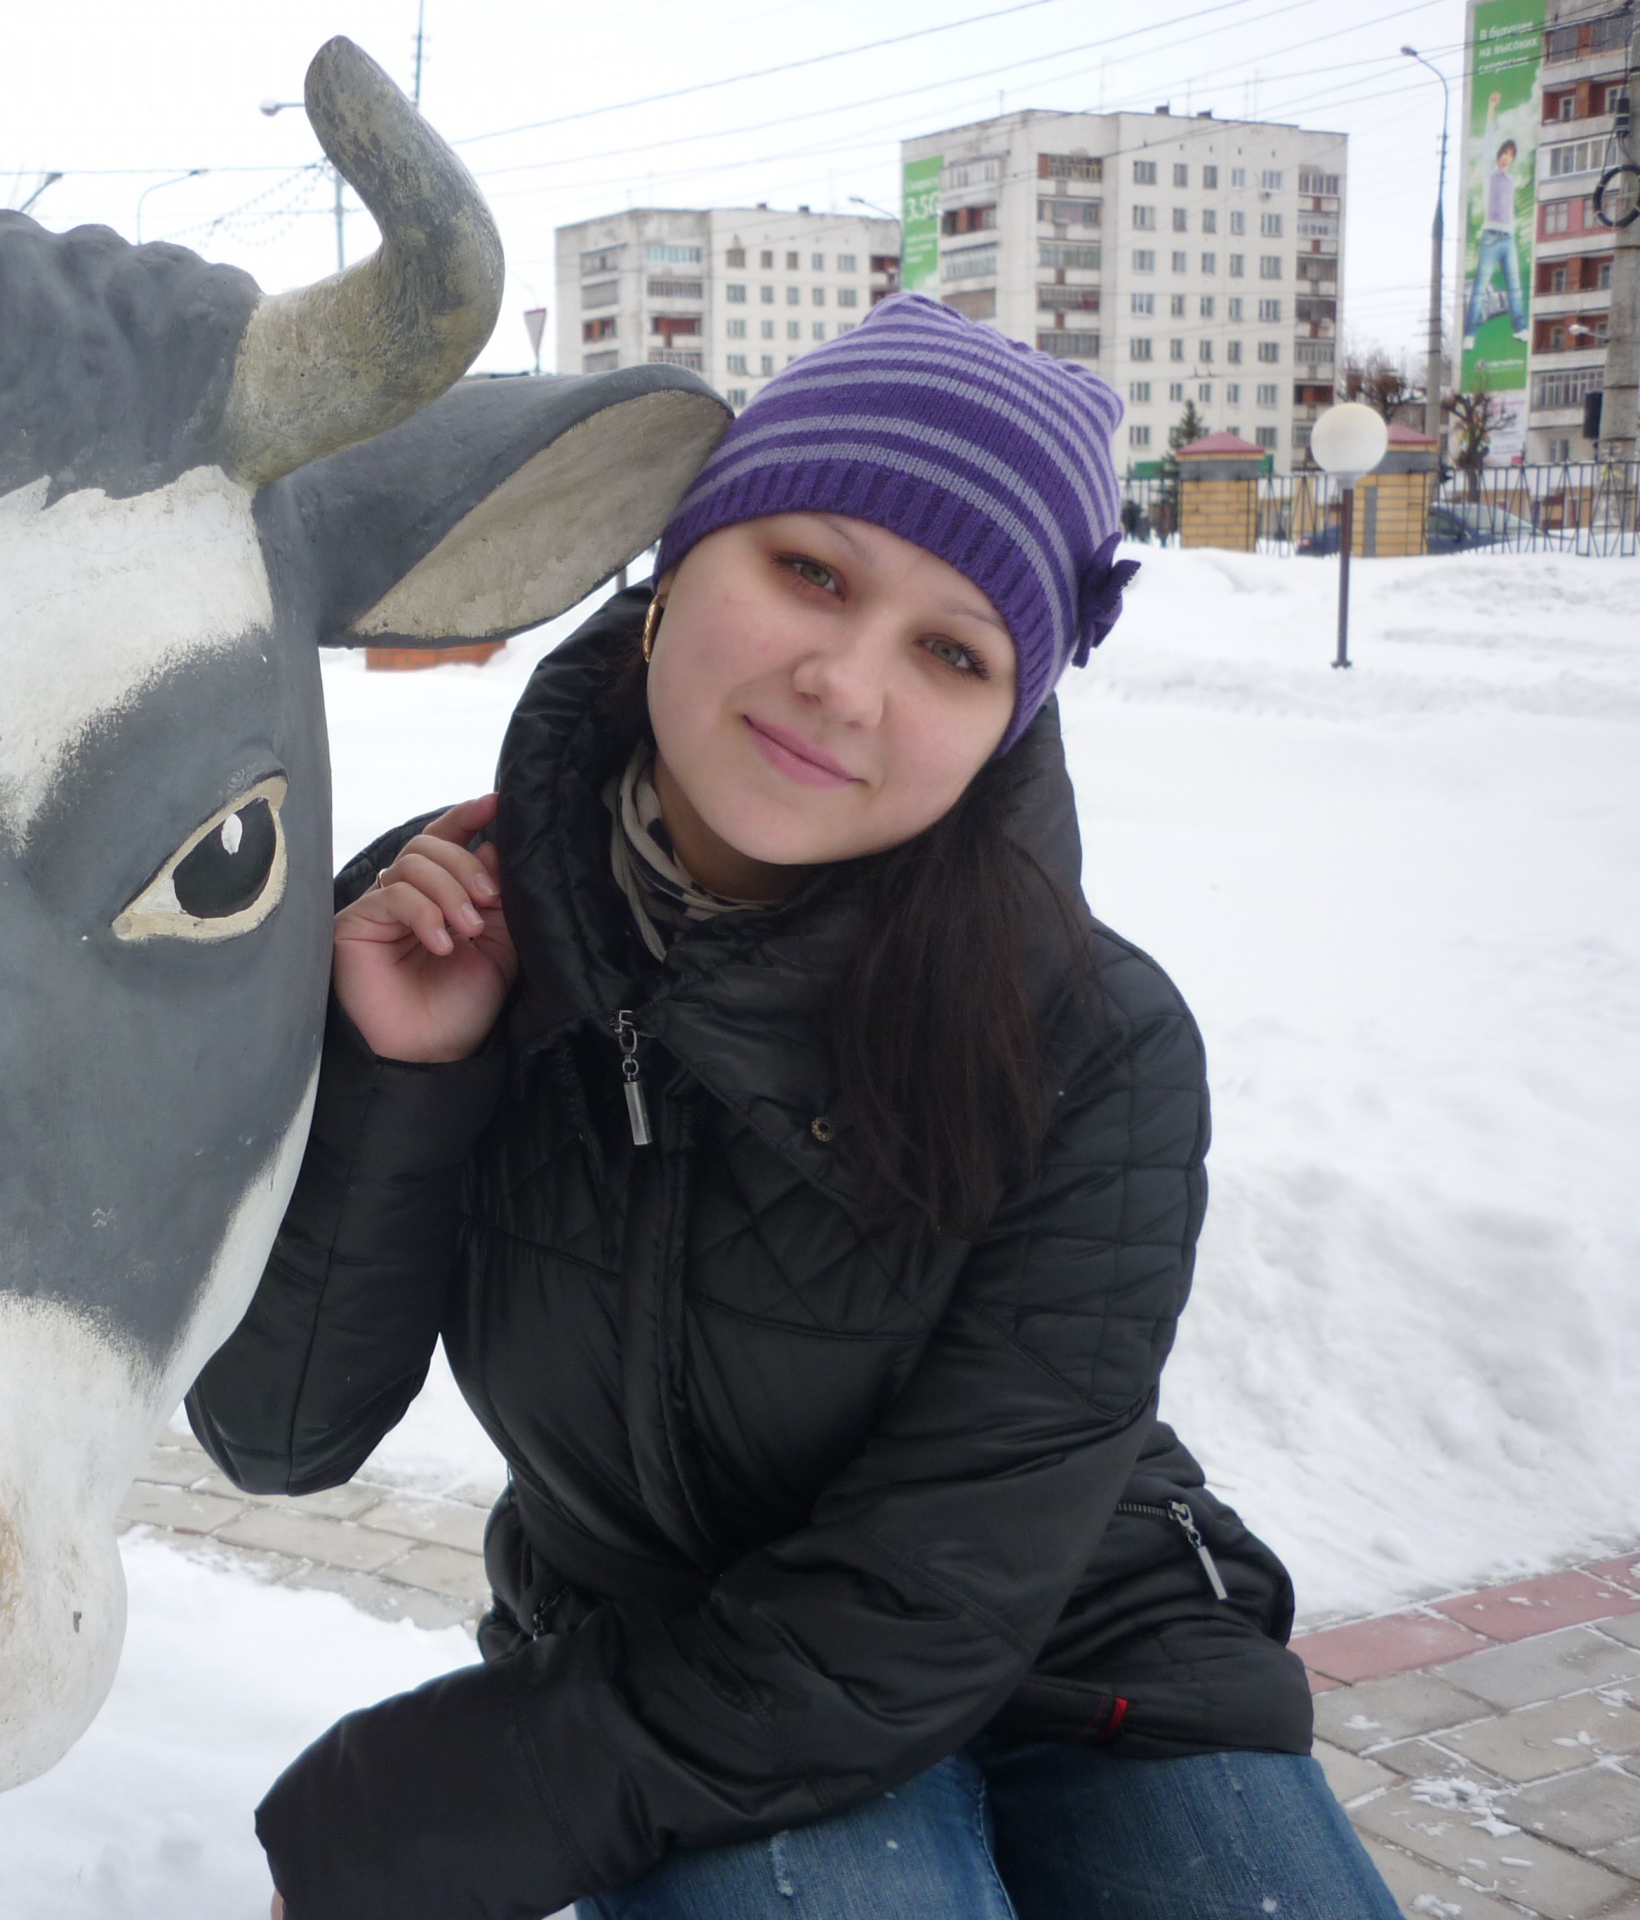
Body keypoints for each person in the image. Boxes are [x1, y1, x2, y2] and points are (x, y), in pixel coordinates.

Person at [188, 294, 1401, 1920]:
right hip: (655, 1643)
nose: (844, 683)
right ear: (674, 569)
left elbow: (935, 1594)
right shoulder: (439, 924)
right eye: (812, 572)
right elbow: (277, 1437)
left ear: (1006, 726)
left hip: (1082, 1636)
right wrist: (409, 1080)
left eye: (952, 652)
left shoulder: (1093, 1041)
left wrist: (468, 1793)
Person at [1464, 131, 1528, 340]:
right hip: (1491, 237)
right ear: (1498, 155)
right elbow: (1488, 149)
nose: (1506, 158)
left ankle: (1520, 329)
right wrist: (1491, 117)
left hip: (1508, 238)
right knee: (1480, 285)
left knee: (1515, 286)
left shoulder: (1512, 180)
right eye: (1504, 154)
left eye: (1511, 155)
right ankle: (1470, 333)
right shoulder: (1490, 174)